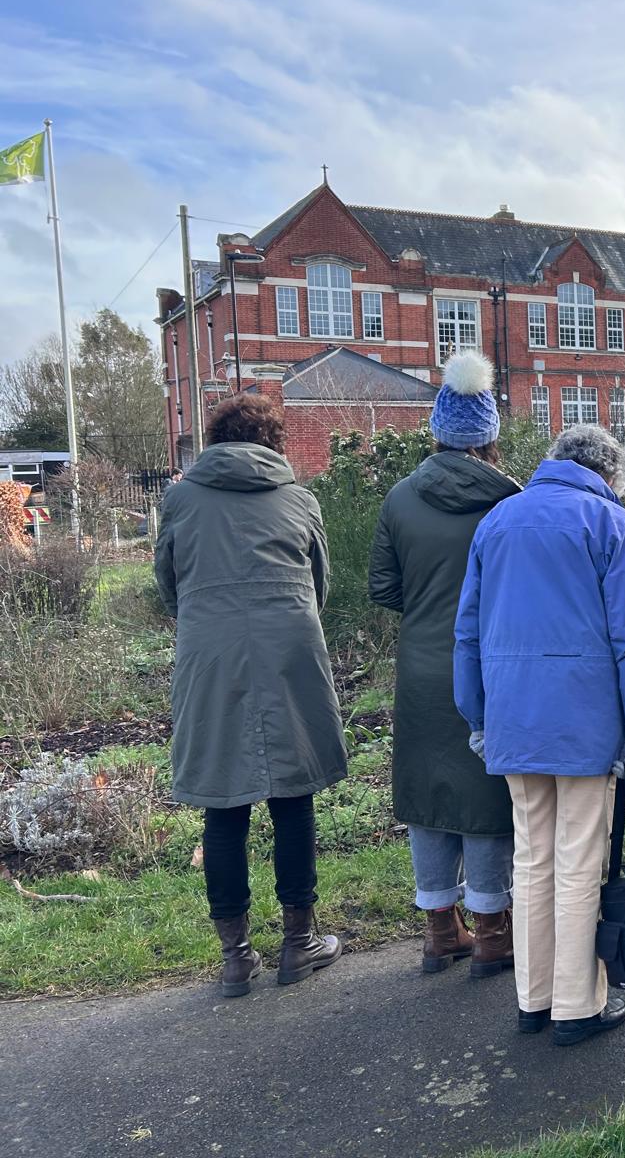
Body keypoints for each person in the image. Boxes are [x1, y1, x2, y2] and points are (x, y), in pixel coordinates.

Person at [454, 424, 625, 1046]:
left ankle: (533, 996)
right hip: (586, 721)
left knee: (531, 858)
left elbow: (468, 630)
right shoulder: (611, 523)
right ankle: (576, 1005)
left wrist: (477, 716)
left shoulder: (497, 520)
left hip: (513, 716)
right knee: (579, 861)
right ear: (610, 475)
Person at [155, 394, 346, 997]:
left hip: (211, 654)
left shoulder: (181, 499)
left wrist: (206, 618)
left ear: (215, 440)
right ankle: (298, 942)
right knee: (293, 795)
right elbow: (320, 584)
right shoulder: (300, 499)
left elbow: (168, 584)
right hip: (290, 648)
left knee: (223, 802)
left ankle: (235, 958)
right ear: (273, 442)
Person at [369, 351, 521, 977]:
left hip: (422, 665)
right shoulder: (509, 501)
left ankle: (439, 930)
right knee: (486, 794)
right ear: (489, 436)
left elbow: (383, 587)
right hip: (489, 666)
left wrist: (430, 607)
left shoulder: (400, 499)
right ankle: (492, 932)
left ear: (435, 430)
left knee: (428, 789)